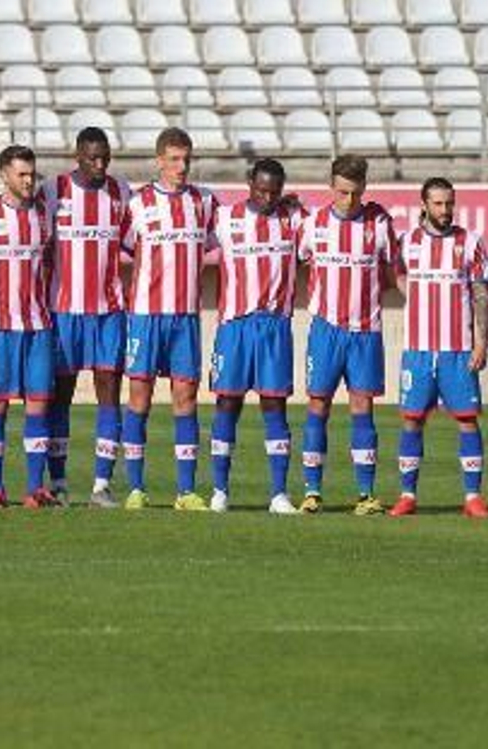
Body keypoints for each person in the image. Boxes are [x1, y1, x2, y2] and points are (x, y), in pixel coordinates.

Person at [119, 128, 218, 511]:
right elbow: (127, 245)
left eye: (187, 159)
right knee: (140, 397)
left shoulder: (204, 202)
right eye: (175, 159)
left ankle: (185, 491)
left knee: (186, 397)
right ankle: (136, 488)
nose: (182, 167)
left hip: (185, 317)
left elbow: (218, 239)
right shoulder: (139, 203)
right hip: (146, 316)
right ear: (159, 160)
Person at [295, 155, 398, 516]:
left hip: (365, 331)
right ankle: (312, 492)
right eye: (342, 192)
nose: (349, 200)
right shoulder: (314, 224)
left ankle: (366, 495)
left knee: (362, 407)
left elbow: (394, 272)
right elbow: (299, 261)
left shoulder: (380, 224)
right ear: (331, 187)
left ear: (365, 188)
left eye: (355, 193)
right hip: (325, 330)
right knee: (318, 405)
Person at [38, 127, 134, 508]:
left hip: (108, 310)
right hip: (64, 311)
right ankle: (59, 483)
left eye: (105, 157)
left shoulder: (121, 191)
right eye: (93, 157)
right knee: (59, 396)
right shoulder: (52, 190)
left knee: (109, 392)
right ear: (77, 155)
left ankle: (101, 486)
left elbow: (137, 238)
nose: (100, 164)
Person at [206, 158, 304, 514]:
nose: (267, 198)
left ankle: (279, 494)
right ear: (249, 182)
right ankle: (219, 491)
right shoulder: (224, 219)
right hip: (235, 325)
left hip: (274, 325)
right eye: (261, 190)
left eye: (274, 192)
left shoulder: (294, 219)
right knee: (227, 404)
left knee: (274, 405)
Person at [390, 178, 488, 518]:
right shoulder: (407, 242)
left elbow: (480, 293)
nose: (445, 210)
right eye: (438, 204)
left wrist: (481, 341)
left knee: (466, 421)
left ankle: (473, 498)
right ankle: (407, 496)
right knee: (412, 421)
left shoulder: (471, 242)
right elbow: (399, 275)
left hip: (458, 350)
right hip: (417, 350)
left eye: (449, 203)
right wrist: (418, 299)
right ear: (424, 204)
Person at [0, 145, 58, 509]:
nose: (28, 181)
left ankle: (34, 489)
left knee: (37, 406)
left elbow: (50, 262)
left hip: (37, 326)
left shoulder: (43, 214)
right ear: (3, 174)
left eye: (31, 174)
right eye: (21, 174)